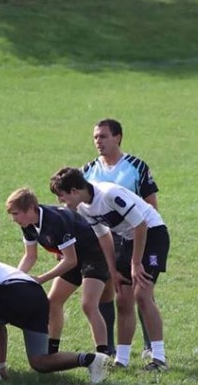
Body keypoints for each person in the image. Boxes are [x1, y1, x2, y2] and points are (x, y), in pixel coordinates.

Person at [49, 167, 170, 371]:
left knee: (142, 294)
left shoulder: (109, 195)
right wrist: (113, 270)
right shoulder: (84, 208)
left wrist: (136, 263)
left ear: (75, 191)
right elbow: (104, 237)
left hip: (152, 235)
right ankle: (121, 361)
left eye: (62, 197)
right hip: (128, 240)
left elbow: (140, 225)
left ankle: (159, 358)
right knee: (122, 300)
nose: (62, 203)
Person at [0, 255, 110, 383]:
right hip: (36, 293)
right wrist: (1, 367)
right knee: (40, 362)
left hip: (14, 290)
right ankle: (91, 359)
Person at [82, 118, 159, 357]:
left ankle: (149, 347)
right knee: (107, 289)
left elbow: (151, 205)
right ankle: (110, 348)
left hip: (134, 235)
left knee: (142, 289)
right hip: (103, 238)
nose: (98, 141)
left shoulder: (136, 166)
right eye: (95, 137)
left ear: (118, 137)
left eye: (103, 136)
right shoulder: (87, 171)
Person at [5, 188, 112, 358]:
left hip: (94, 255)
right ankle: (52, 352)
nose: (13, 219)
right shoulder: (28, 224)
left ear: (31, 208)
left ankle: (103, 356)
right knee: (53, 303)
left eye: (16, 214)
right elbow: (30, 256)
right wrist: (13, 278)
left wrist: (41, 278)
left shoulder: (55, 221)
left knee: (88, 304)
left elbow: (71, 261)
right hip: (72, 257)